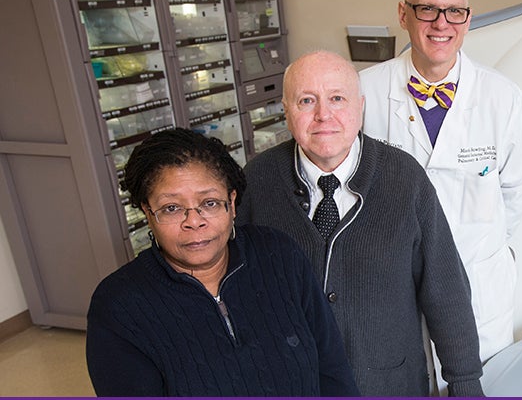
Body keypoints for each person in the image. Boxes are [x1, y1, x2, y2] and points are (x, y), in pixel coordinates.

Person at [236, 50, 484, 397]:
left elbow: (446, 289)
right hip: (289, 384)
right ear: (286, 110)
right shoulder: (257, 181)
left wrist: (465, 383)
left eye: (337, 98)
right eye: (307, 100)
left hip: (388, 384)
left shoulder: (404, 178)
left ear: (361, 106)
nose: (324, 115)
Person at [85, 128, 359, 397]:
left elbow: (332, 370)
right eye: (172, 208)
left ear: (232, 201)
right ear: (148, 212)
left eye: (210, 203)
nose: (194, 221)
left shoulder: (279, 254)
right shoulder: (118, 306)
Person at [360, 0, 522, 364]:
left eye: (454, 11)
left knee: (476, 381)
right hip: (394, 284)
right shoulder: (364, 92)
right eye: (428, 8)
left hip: (478, 281)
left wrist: (480, 245)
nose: (442, 23)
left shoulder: (502, 98)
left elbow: (517, 191)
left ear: (468, 19)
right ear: (403, 14)